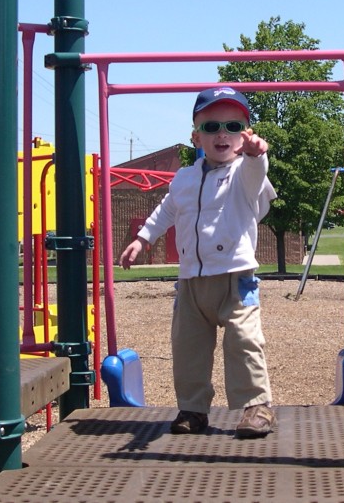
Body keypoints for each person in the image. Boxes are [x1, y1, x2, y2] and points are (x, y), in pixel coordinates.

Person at [120, 87, 278, 438]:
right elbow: (167, 211)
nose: (223, 134)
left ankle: (257, 406)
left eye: (233, 126)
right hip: (191, 279)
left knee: (244, 341)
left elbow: (256, 177)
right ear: (196, 137)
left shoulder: (243, 174)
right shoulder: (185, 178)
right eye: (211, 128)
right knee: (188, 346)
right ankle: (193, 408)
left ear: (245, 135)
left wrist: (255, 157)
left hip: (236, 278)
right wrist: (143, 238)